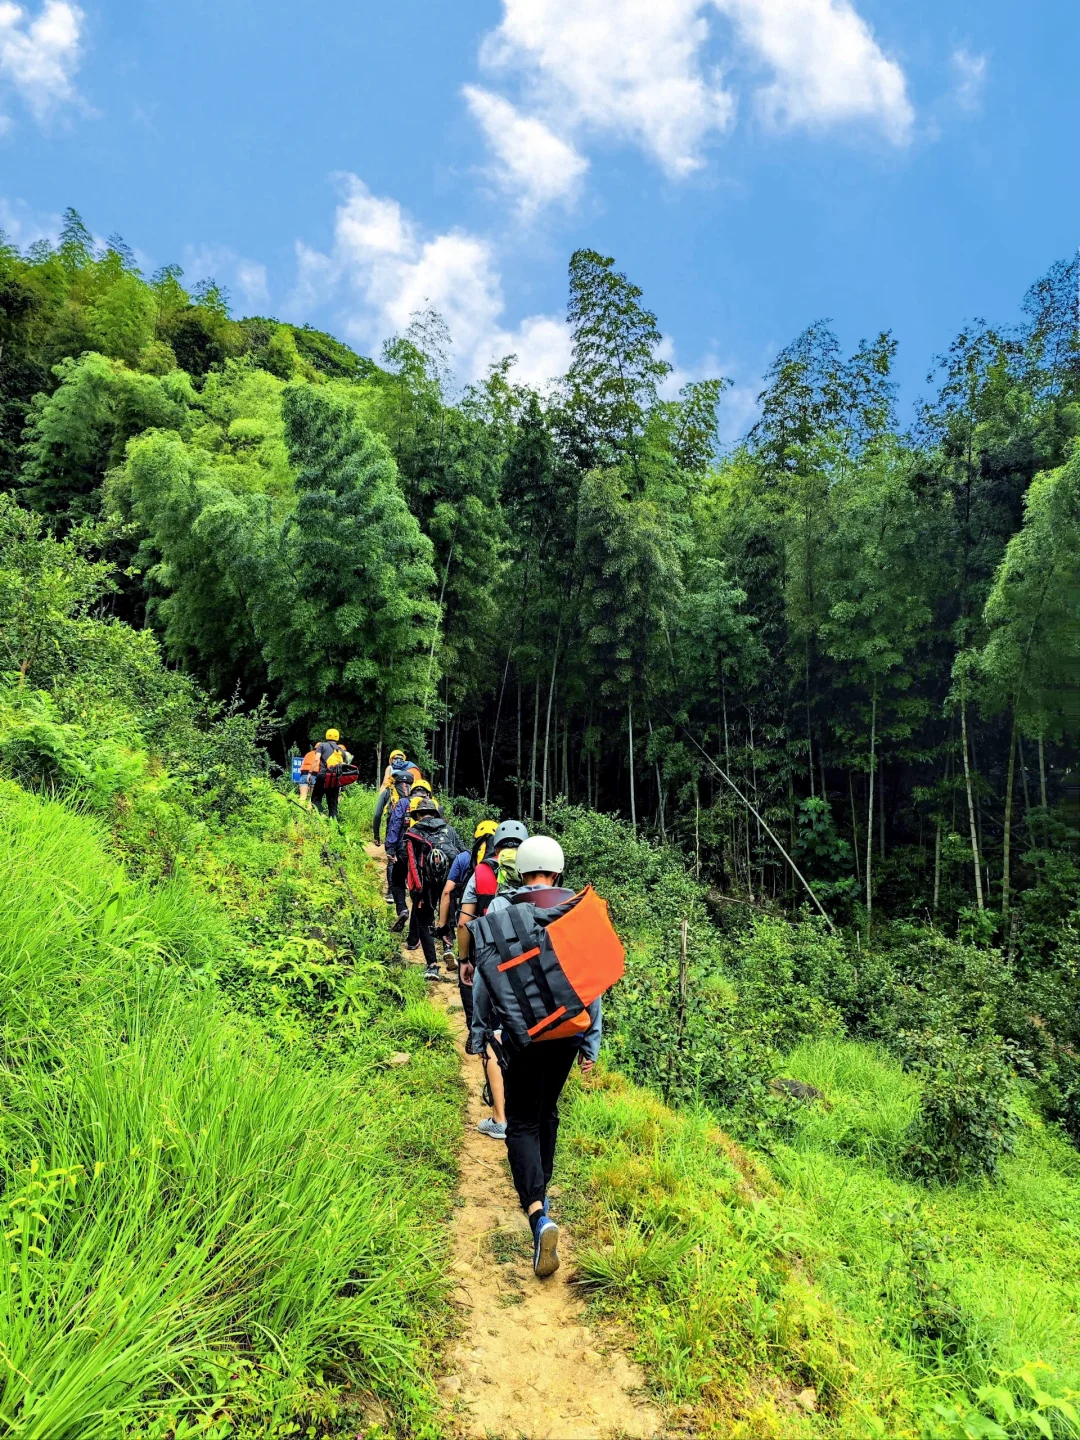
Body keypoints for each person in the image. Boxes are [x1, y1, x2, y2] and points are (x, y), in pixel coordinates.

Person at [469, 836, 603, 1280]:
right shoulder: (574, 912)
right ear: (559, 871)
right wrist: (591, 1042)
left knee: (522, 1121)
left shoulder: (504, 915)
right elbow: (591, 982)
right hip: (568, 1031)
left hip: (523, 1035)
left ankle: (537, 1214)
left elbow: (487, 980)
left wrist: (480, 1029)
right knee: (547, 1111)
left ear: (518, 871)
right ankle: (541, 1191)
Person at [457, 819, 529, 1140]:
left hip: (491, 963)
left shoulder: (482, 873)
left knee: (492, 1034)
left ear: (494, 847)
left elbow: (464, 923)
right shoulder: (535, 873)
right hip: (529, 968)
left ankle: (500, 1119)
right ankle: (524, 1107)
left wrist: (464, 961)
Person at [402, 797, 464, 982]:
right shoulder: (449, 829)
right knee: (448, 914)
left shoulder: (413, 831)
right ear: (435, 813)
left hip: (425, 884)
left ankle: (432, 967)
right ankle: (448, 947)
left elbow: (405, 856)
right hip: (449, 881)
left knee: (424, 920)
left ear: (419, 814)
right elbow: (462, 852)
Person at [384, 777, 435, 930]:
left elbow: (395, 825)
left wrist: (390, 848)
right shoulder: (434, 806)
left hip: (405, 848)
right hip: (428, 853)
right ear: (428, 793)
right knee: (422, 889)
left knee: (397, 880)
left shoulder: (404, 803)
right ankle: (420, 927)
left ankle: (402, 909)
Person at [374, 760, 415, 904]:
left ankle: (392, 891)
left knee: (393, 858)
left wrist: (376, 835)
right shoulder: (417, 796)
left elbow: (377, 814)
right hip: (414, 831)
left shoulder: (389, 792)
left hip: (393, 827)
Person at [311, 729, 348, 821]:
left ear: (327, 736)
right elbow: (344, 766)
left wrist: (310, 773)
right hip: (335, 778)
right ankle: (333, 826)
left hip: (323, 776)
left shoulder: (322, 746)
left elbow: (316, 760)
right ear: (337, 737)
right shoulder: (341, 751)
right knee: (333, 804)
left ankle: (321, 815)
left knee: (315, 799)